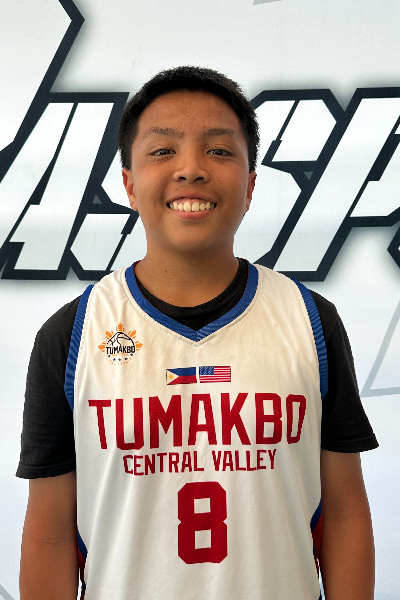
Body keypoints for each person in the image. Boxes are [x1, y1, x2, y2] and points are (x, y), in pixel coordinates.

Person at [18, 66, 377, 600]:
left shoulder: (310, 320)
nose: (191, 169)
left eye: (219, 150)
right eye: (163, 151)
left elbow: (345, 511)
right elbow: (50, 534)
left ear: (250, 185)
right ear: (129, 184)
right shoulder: (71, 333)